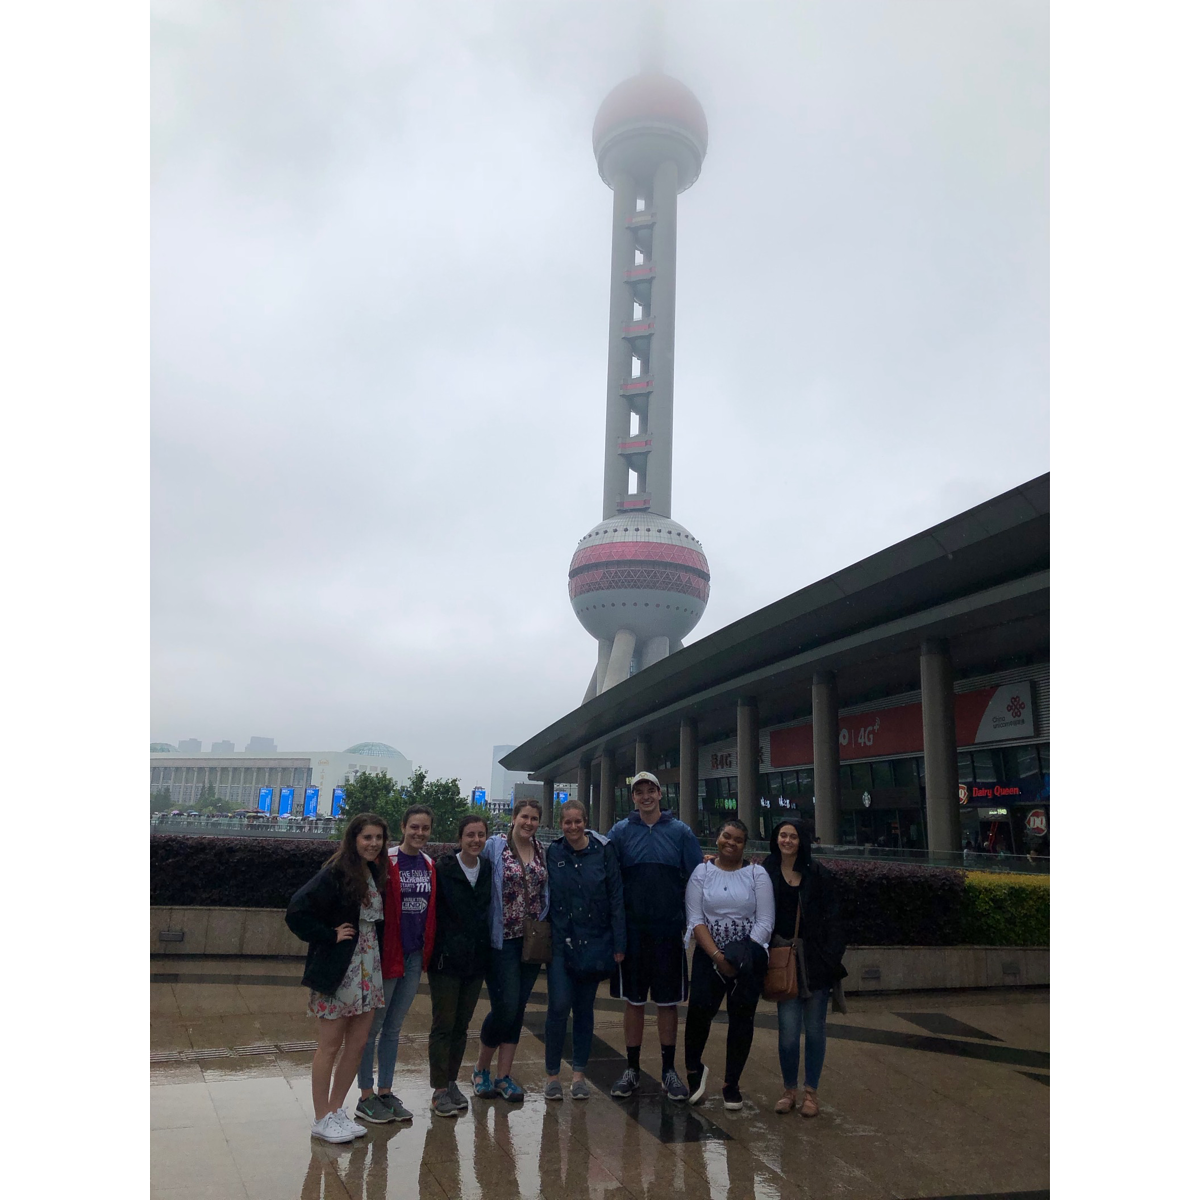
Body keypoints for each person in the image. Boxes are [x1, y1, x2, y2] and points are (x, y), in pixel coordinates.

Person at [286, 813, 391, 1143]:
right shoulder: (335, 872)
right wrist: (328, 935)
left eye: (378, 838)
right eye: (367, 837)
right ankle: (321, 1118)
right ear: (354, 839)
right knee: (329, 1045)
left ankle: (335, 1111)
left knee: (357, 1045)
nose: (373, 843)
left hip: (369, 968)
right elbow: (297, 910)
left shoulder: (376, 871)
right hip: (340, 968)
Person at [607, 771, 703, 1101]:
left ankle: (668, 1070)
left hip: (667, 931)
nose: (645, 796)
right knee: (633, 1001)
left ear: (661, 794)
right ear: (632, 797)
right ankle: (632, 1069)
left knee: (667, 1002)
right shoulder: (620, 832)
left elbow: (696, 880)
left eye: (651, 790)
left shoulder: (680, 832)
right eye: (639, 791)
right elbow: (610, 881)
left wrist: (691, 927)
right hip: (633, 933)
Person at [351, 804, 437, 1124]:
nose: (419, 833)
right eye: (414, 827)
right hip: (387, 955)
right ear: (403, 827)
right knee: (372, 1027)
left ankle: (385, 1092)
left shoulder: (429, 864)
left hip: (414, 956)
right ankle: (365, 1095)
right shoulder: (383, 860)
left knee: (394, 1027)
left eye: (425, 828)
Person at [682, 817, 774, 1110]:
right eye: (726, 836)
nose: (730, 843)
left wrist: (741, 955)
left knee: (742, 1020)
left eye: (737, 840)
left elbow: (765, 921)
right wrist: (718, 957)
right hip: (708, 955)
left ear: (745, 846)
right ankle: (694, 1072)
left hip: (747, 960)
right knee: (698, 1014)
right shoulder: (702, 872)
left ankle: (732, 1083)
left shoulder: (757, 875)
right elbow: (695, 919)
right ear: (717, 837)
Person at [762, 817, 847, 1117]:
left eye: (793, 836)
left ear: (803, 841)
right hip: (783, 961)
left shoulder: (817, 874)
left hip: (815, 964)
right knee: (787, 1031)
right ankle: (789, 1090)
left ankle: (811, 1092)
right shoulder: (765, 872)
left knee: (814, 1030)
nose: (787, 841)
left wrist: (830, 957)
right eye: (782, 835)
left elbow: (836, 919)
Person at [543, 799, 626, 1101]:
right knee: (558, 1006)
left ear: (586, 822)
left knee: (584, 1010)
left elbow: (616, 896)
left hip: (594, 942)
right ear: (560, 824)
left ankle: (579, 1075)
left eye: (578, 821)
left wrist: (619, 943)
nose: (573, 827)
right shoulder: (553, 852)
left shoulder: (603, 852)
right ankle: (552, 1075)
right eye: (567, 822)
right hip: (561, 943)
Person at [472, 797, 550, 1101]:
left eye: (534, 818)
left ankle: (504, 1075)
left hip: (532, 941)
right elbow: (469, 861)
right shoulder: (495, 847)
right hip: (502, 940)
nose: (528, 823)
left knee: (518, 1008)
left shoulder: (542, 851)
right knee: (505, 1006)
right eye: (524, 817)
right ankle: (481, 1069)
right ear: (513, 818)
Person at [427, 813, 493, 1118]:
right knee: (444, 1025)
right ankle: (439, 1089)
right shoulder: (443, 868)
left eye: (481, 835)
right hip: (446, 960)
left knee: (462, 1026)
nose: (476, 840)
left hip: (475, 961)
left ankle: (451, 1081)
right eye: (470, 835)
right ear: (460, 839)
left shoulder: (488, 868)